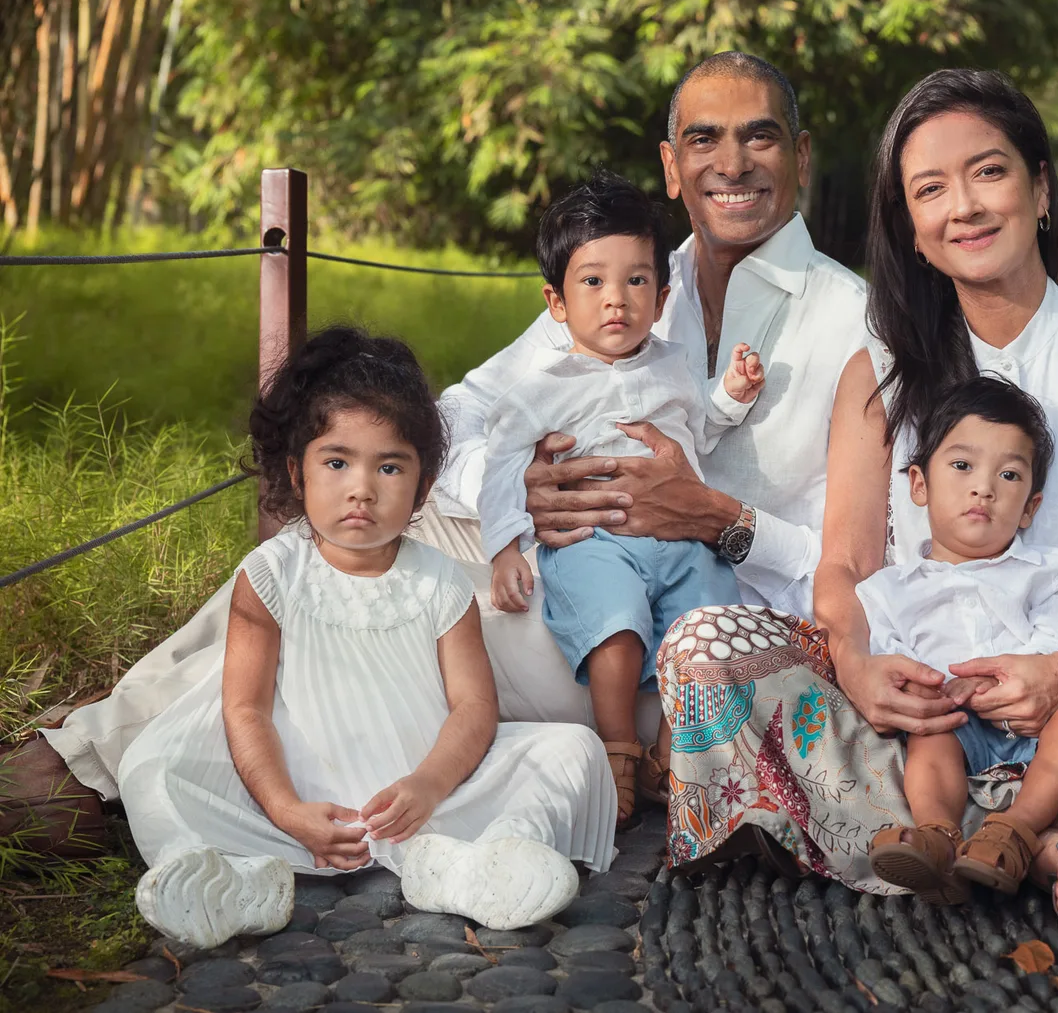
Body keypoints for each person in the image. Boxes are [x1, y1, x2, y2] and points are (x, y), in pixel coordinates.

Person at [21, 51, 869, 847]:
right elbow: (458, 417)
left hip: (701, 650)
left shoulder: (854, 320)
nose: (733, 162)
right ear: (670, 164)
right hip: (576, 582)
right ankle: (111, 749)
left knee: (364, 576)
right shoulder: (625, 274)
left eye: (758, 135)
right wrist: (526, 489)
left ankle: (93, 773)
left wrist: (723, 519)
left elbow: (887, 560)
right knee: (341, 543)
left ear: (797, 152)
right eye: (703, 138)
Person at [658, 68, 1058, 924]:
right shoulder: (880, 375)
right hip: (917, 721)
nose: (962, 205)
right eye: (930, 189)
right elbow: (845, 564)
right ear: (914, 230)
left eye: (989, 171)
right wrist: (856, 664)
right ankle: (1040, 844)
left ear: (1040, 188)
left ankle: (960, 833)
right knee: (704, 648)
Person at [118, 328, 613, 949]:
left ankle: (463, 864)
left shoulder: (437, 580)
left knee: (573, 751)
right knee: (154, 763)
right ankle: (231, 879)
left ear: (423, 487)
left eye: (389, 466)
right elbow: (244, 707)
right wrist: (285, 809)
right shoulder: (271, 574)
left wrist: (430, 785)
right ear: (297, 473)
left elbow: (474, 706)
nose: (362, 488)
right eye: (337, 462)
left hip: (421, 800)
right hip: (296, 788)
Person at [481, 170, 765, 823]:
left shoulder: (672, 365)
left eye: (637, 281)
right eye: (593, 282)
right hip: (594, 540)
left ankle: (674, 751)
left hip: (683, 543)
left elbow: (696, 428)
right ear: (556, 302)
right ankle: (617, 750)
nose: (617, 299)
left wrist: (732, 397)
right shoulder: (543, 383)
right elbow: (502, 461)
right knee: (617, 628)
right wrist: (502, 547)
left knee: (707, 621)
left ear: (663, 295)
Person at [859, 375, 1058, 912]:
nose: (984, 488)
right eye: (962, 467)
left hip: (1038, 723)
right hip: (956, 730)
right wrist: (923, 690)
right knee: (929, 743)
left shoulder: (1042, 574)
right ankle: (936, 835)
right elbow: (886, 663)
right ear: (919, 485)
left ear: (1029, 508)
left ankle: (1015, 831)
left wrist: (1023, 676)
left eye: (1008, 476)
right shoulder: (889, 590)